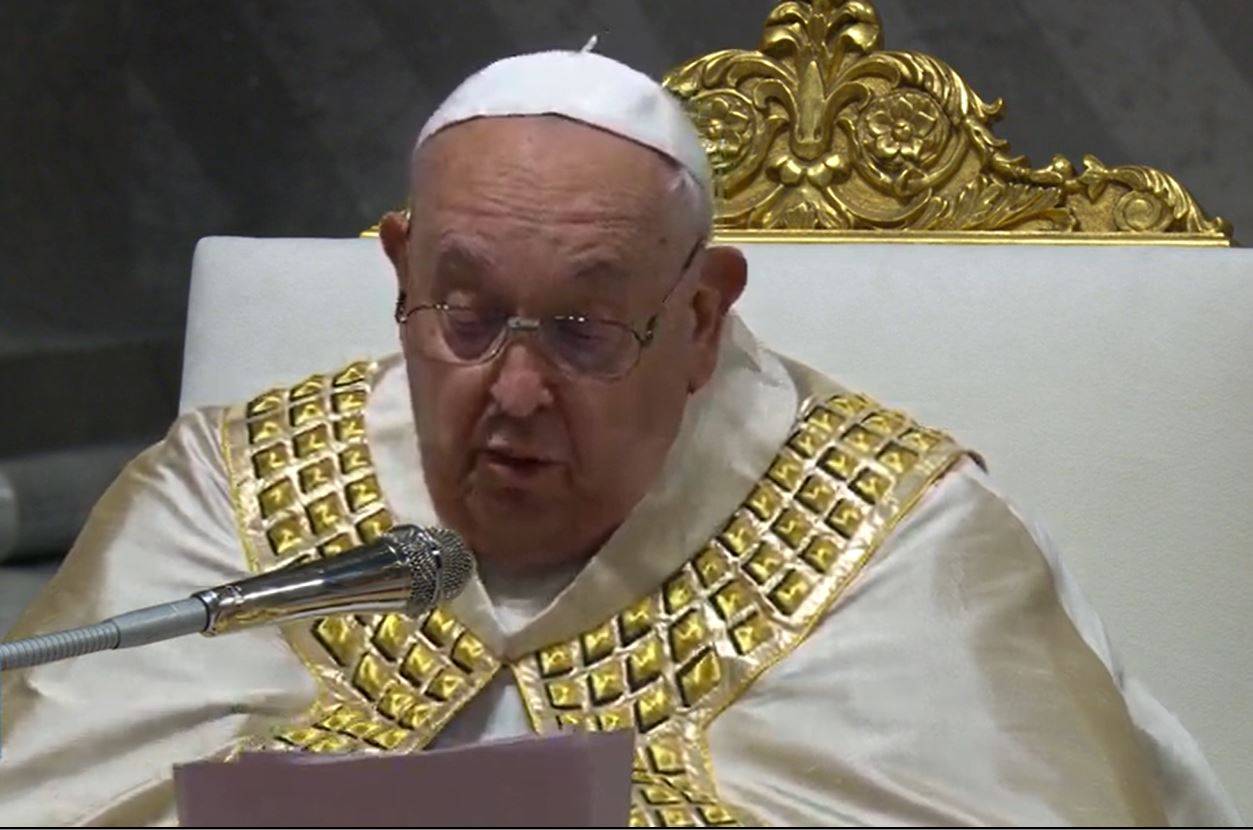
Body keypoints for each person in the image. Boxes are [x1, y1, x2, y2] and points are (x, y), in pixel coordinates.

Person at [0, 49, 1239, 827]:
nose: (517, 390)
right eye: (468, 315)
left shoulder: (896, 529)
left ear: (700, 316)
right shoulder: (235, 487)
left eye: (586, 330)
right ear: (398, 273)